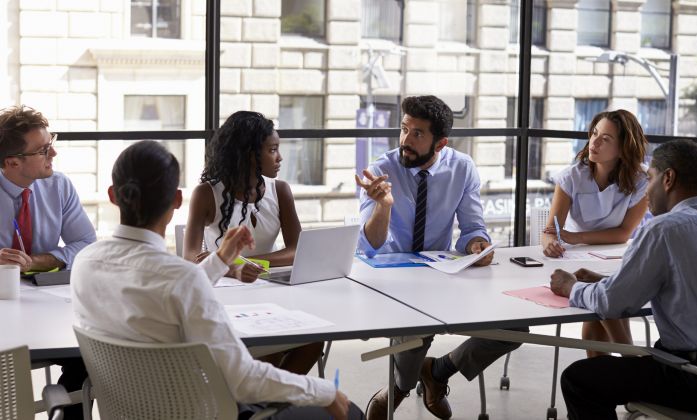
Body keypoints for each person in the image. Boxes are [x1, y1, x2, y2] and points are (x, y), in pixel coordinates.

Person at [72, 141, 364, 420]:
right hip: (203, 411)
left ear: (113, 195)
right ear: (176, 199)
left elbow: (173, 285)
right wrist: (324, 392)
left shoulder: (85, 263)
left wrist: (220, 260)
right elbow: (243, 380)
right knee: (351, 413)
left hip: (131, 411)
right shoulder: (179, 278)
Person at [356, 95, 523, 420]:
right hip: (390, 279)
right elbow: (370, 246)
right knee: (417, 326)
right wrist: (383, 206)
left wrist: (477, 245)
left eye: (417, 134)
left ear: (441, 142)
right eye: (404, 129)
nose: (405, 140)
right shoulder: (380, 170)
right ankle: (400, 388)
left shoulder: (462, 168)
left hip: (440, 274)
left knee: (516, 327)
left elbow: (474, 228)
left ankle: (438, 370)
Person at [550, 139, 697, 419]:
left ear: (668, 179)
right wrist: (613, 281)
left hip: (689, 376)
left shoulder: (665, 229)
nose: (646, 191)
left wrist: (572, 287)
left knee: (579, 380)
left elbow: (612, 303)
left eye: (651, 178)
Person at [184, 111, 323, 375]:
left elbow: (297, 250)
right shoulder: (205, 194)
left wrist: (248, 262)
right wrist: (231, 268)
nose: (280, 158)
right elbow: (190, 260)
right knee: (269, 349)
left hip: (271, 292)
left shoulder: (279, 190)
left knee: (314, 341)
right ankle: (263, 406)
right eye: (272, 150)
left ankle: (270, 406)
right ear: (249, 154)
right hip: (224, 295)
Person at [0, 105, 96, 419]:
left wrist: (40, 261)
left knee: (89, 354)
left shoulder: (58, 186)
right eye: (43, 150)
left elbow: (86, 244)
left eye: (50, 141)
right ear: (12, 162)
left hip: (45, 307)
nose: (53, 152)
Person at [542, 109, 649, 358]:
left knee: (601, 299)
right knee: (599, 306)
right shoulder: (571, 177)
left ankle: (627, 364)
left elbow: (623, 233)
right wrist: (550, 242)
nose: (594, 142)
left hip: (618, 256)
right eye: (594, 134)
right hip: (579, 258)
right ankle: (629, 361)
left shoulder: (642, 179)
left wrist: (574, 237)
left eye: (606, 138)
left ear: (623, 148)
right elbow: (550, 231)